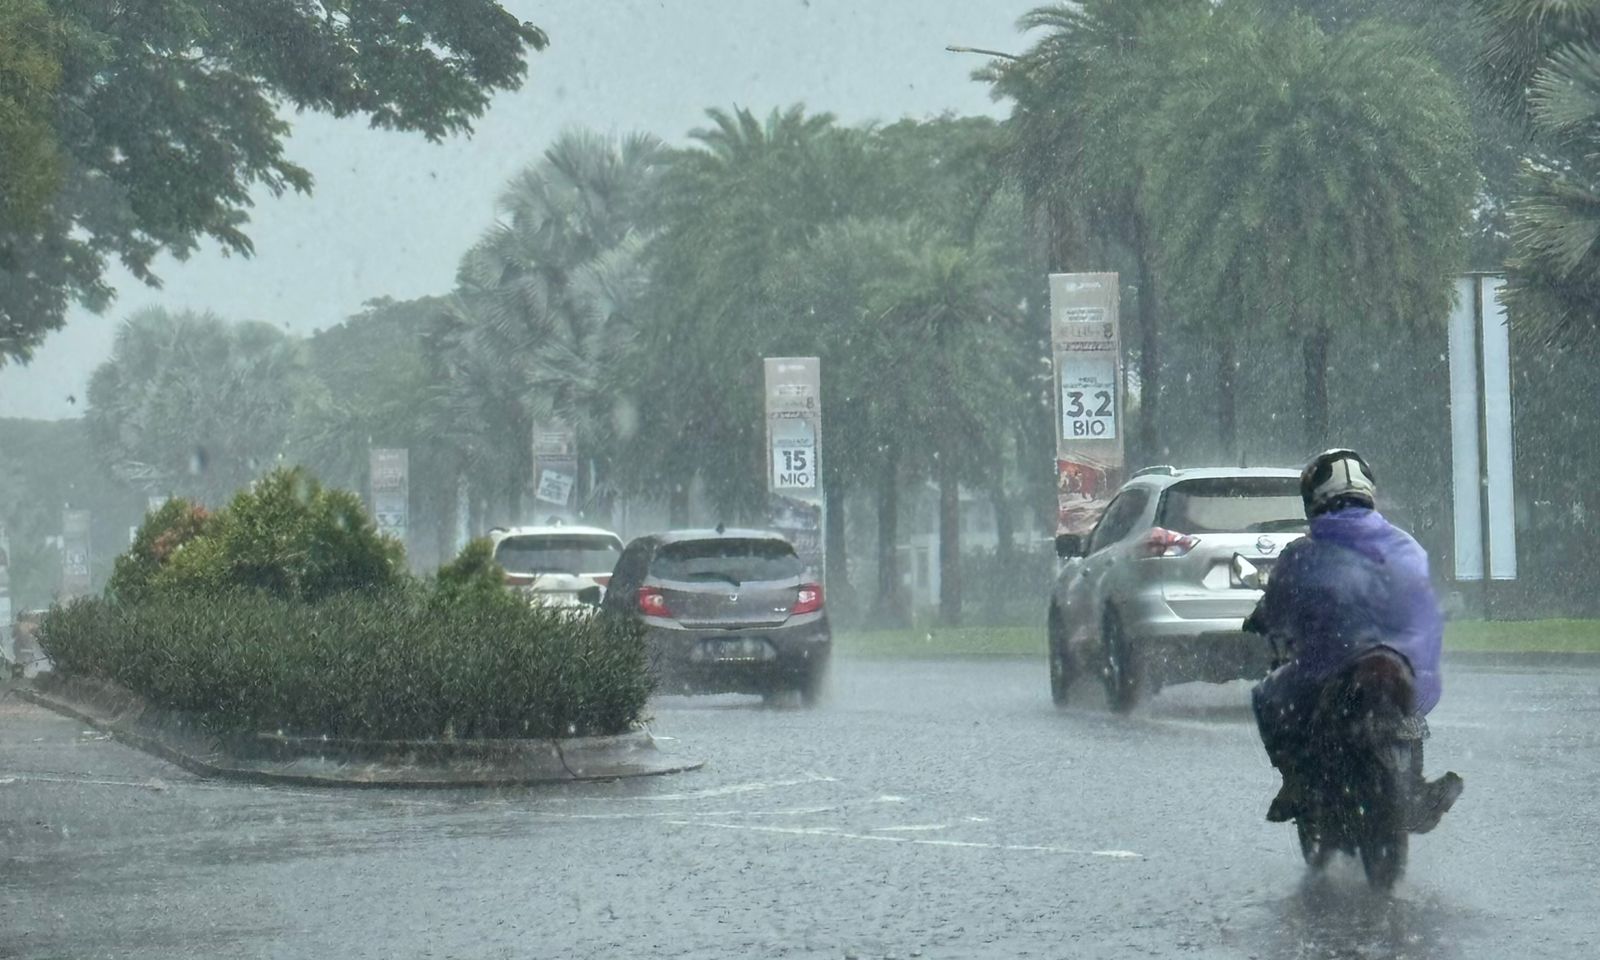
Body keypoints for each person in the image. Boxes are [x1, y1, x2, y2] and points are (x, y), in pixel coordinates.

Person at [1246, 448, 1463, 831]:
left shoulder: (1302, 553)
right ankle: (1413, 789)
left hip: (1331, 672)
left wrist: (1261, 621)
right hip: (1405, 674)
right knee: (1408, 714)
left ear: (1314, 499)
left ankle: (1294, 780)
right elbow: (1427, 609)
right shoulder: (1407, 546)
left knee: (1266, 696)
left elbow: (1277, 611)